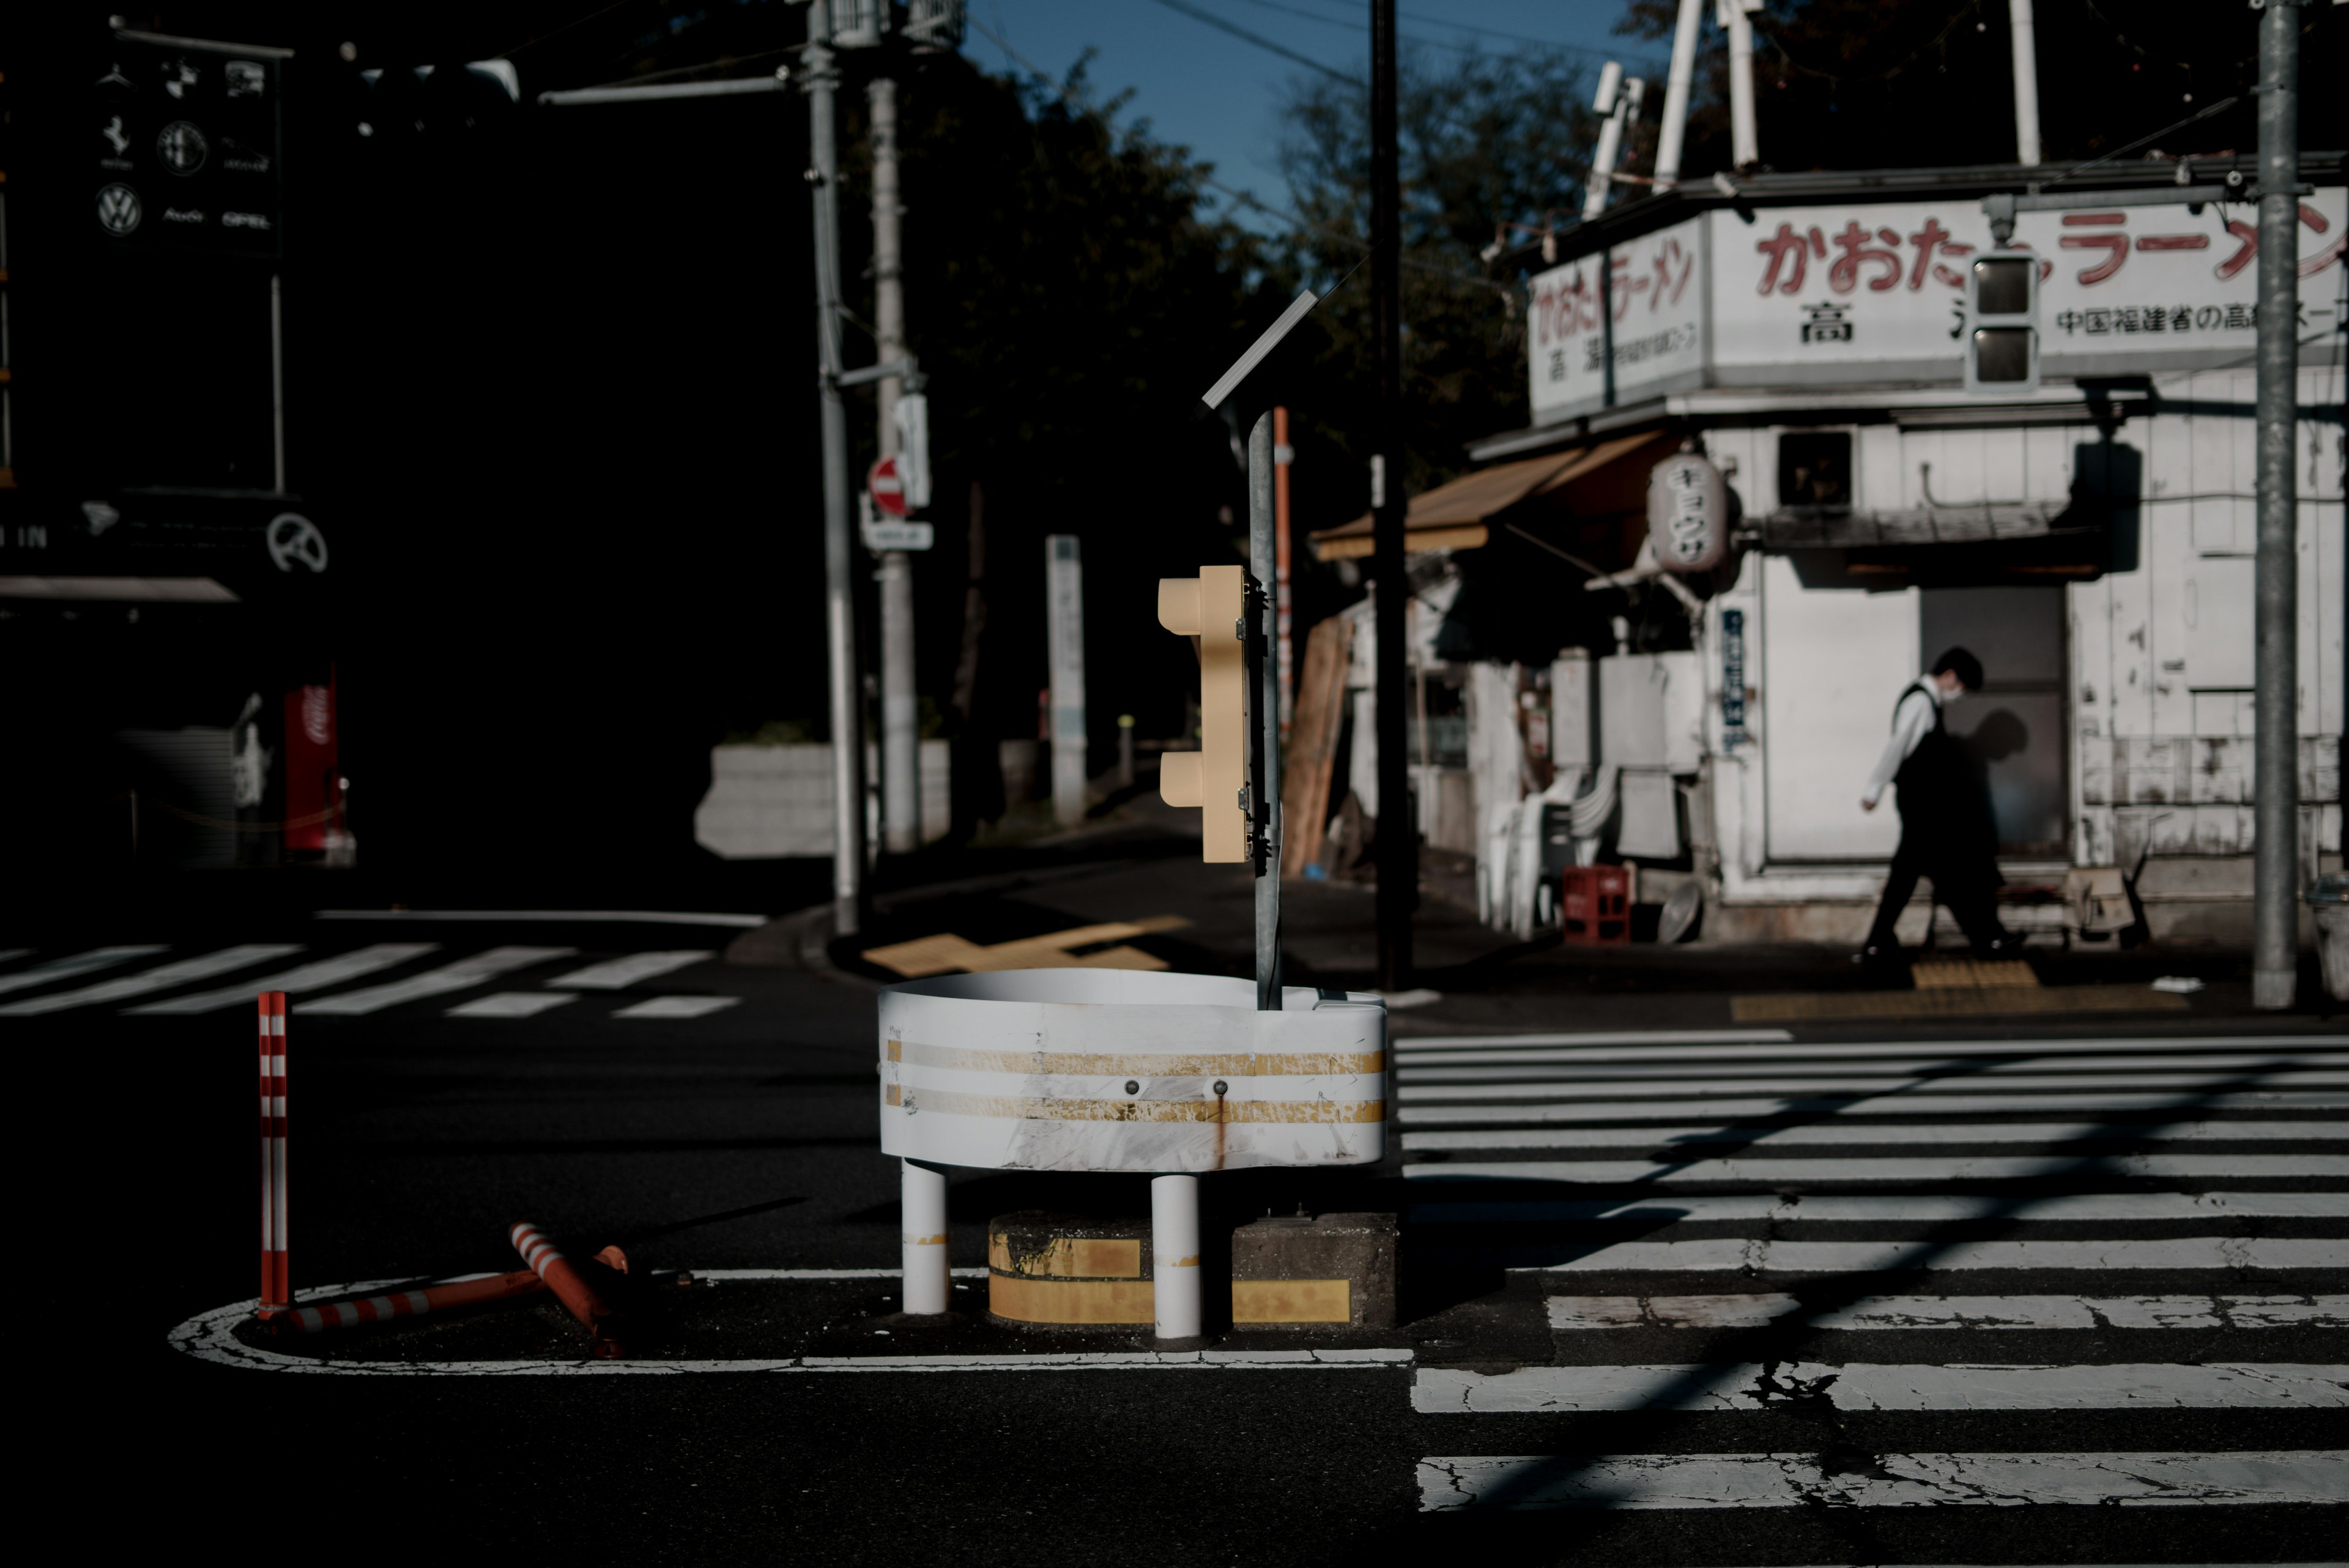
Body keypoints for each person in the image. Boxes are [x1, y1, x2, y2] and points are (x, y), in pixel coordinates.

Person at [1855, 647, 2015, 967]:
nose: (1961, 694)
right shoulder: (1920, 702)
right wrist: (1874, 788)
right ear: (1950, 676)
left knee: (1921, 873)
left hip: (1921, 803)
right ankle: (1986, 937)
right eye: (1962, 687)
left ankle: (1879, 941)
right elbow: (1898, 746)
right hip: (1920, 804)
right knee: (1943, 874)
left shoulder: (1927, 702)